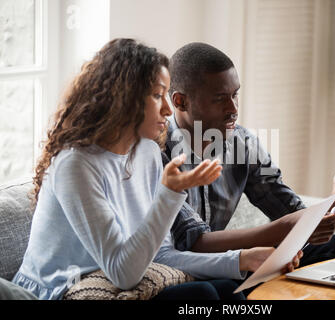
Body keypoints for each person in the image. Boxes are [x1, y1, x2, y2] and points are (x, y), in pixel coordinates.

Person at [11, 38, 245, 300]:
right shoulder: (75, 165)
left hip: (119, 281)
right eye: (157, 96)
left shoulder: (146, 152)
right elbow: (123, 273)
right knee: (201, 294)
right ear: (124, 98)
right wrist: (170, 193)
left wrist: (242, 260)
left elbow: (161, 256)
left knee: (229, 288)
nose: (168, 109)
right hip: (60, 289)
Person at [154, 43, 335, 292]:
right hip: (188, 269)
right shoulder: (157, 152)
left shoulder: (243, 143)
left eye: (235, 95)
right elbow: (192, 242)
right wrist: (286, 229)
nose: (233, 109)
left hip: (233, 263)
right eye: (220, 99)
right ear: (180, 101)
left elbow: (287, 208)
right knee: (215, 289)